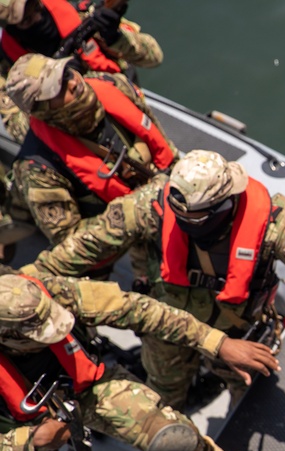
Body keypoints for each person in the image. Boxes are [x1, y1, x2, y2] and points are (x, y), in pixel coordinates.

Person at [24, 149, 285, 451]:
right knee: (165, 395)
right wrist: (18, 288)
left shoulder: (275, 221)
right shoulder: (152, 205)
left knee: (255, 395)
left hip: (241, 333)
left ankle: (248, 442)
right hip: (166, 330)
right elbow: (79, 250)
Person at [0, 270, 280, 451]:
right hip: (16, 426)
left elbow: (139, 309)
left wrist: (217, 343)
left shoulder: (52, 292)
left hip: (86, 389)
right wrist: (29, 441)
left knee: (172, 434)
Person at [4, 53, 176, 286]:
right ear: (43, 109)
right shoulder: (39, 169)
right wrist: (134, 212)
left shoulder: (113, 85)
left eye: (67, 73)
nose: (74, 83)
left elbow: (158, 138)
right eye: (59, 88)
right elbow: (71, 244)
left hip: (163, 200)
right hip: (110, 238)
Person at [0, 0, 162, 142]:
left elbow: (154, 57)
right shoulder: (7, 68)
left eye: (37, 7)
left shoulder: (83, 15)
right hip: (84, 139)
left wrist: (116, 38)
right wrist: (50, 87)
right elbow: (20, 130)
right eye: (27, 20)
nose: (38, 18)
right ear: (13, 30)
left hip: (132, 108)